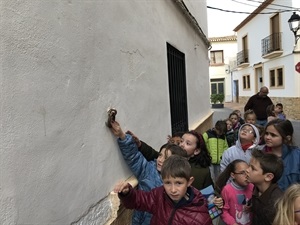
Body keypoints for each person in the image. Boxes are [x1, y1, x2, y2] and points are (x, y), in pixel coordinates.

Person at [109, 120, 187, 225]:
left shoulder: (180, 185)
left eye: (166, 158)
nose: (160, 160)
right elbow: (134, 157)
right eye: (160, 155)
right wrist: (122, 136)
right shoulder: (149, 170)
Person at [114, 155, 213, 225]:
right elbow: (138, 200)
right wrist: (127, 193)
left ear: (189, 182)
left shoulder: (201, 217)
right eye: (168, 183)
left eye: (178, 183)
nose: (173, 190)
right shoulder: (159, 195)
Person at [246, 149, 284, 225]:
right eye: (248, 166)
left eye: (253, 169)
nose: (247, 170)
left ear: (268, 177)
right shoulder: (256, 188)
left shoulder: (276, 203)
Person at [262, 119, 300, 191]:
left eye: (273, 135)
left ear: (287, 138)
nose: (267, 137)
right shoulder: (260, 155)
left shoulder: (297, 156)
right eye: (266, 133)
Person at [215, 159, 253, 225]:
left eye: (248, 172)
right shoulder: (227, 190)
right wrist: (233, 223)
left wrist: (252, 207)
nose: (247, 176)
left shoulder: (252, 186)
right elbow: (224, 211)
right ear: (233, 175)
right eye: (242, 173)